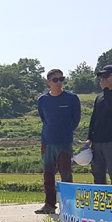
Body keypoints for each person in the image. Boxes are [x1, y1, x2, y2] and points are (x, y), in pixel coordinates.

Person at [35, 69, 82, 214]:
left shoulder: (71, 98)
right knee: (48, 175)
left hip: (64, 142)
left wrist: (66, 131)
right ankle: (49, 205)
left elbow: (76, 119)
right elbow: (44, 118)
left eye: (61, 79)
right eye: (55, 80)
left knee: (66, 175)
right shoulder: (42, 100)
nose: (59, 82)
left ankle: (68, 207)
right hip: (47, 142)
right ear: (48, 82)